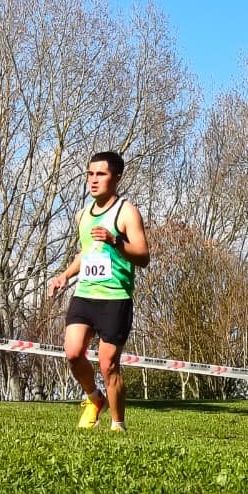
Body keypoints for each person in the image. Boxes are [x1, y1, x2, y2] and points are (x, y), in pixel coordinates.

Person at [48, 151, 150, 432]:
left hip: (115, 297)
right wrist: (64, 275)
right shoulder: (83, 214)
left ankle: (118, 425)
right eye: (90, 174)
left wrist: (115, 240)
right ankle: (95, 398)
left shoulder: (126, 211)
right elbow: (87, 253)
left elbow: (143, 257)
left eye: (100, 174)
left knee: (108, 365)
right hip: (85, 293)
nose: (93, 180)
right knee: (72, 352)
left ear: (116, 177)